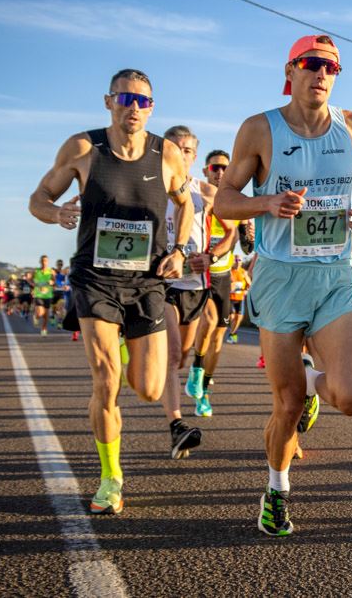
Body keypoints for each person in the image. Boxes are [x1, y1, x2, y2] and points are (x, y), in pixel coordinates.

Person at [214, 34, 352, 536]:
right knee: (286, 406)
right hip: (279, 278)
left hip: (332, 277)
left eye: (331, 67)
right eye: (311, 64)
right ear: (290, 70)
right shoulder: (259, 130)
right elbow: (224, 202)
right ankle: (276, 488)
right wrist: (264, 204)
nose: (321, 74)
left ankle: (315, 384)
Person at [28, 68, 193, 515]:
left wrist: (178, 250)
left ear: (151, 107)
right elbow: (38, 197)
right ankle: (110, 477)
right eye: (125, 99)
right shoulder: (83, 148)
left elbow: (187, 202)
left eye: (142, 101)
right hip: (95, 280)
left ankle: (124, 349)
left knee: (148, 386)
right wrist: (55, 212)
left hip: (147, 282)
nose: (133, 108)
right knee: (107, 382)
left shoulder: (168, 154)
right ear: (108, 101)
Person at [158, 125, 209, 458]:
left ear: (194, 155)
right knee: (174, 355)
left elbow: (232, 229)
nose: (180, 153)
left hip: (196, 284)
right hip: (163, 283)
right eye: (174, 147)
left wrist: (213, 255)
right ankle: (176, 425)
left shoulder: (206, 192)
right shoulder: (153, 187)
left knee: (185, 355)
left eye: (187, 149)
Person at [186, 149, 238, 417]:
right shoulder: (198, 196)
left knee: (218, 338)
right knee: (206, 324)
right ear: (206, 170)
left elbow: (244, 241)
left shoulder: (235, 202)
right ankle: (194, 367)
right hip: (197, 273)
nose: (220, 173)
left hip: (223, 276)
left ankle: (203, 389)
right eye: (215, 168)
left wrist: (248, 235)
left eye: (224, 168)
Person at [227, 256, 251, 343]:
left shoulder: (243, 272)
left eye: (239, 260)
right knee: (232, 317)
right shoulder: (230, 271)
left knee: (239, 318)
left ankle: (232, 334)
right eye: (236, 260)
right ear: (234, 261)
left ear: (241, 262)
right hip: (231, 298)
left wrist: (246, 290)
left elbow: (249, 285)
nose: (237, 261)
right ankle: (232, 334)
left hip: (240, 298)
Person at [32, 255, 56, 336]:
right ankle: (36, 316)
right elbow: (31, 280)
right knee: (40, 312)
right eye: (42, 261)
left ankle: (44, 329)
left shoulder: (51, 271)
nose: (44, 262)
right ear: (40, 262)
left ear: (48, 262)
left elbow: (54, 281)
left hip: (48, 295)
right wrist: (34, 285)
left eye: (45, 261)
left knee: (46, 315)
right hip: (38, 294)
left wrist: (52, 282)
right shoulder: (36, 271)